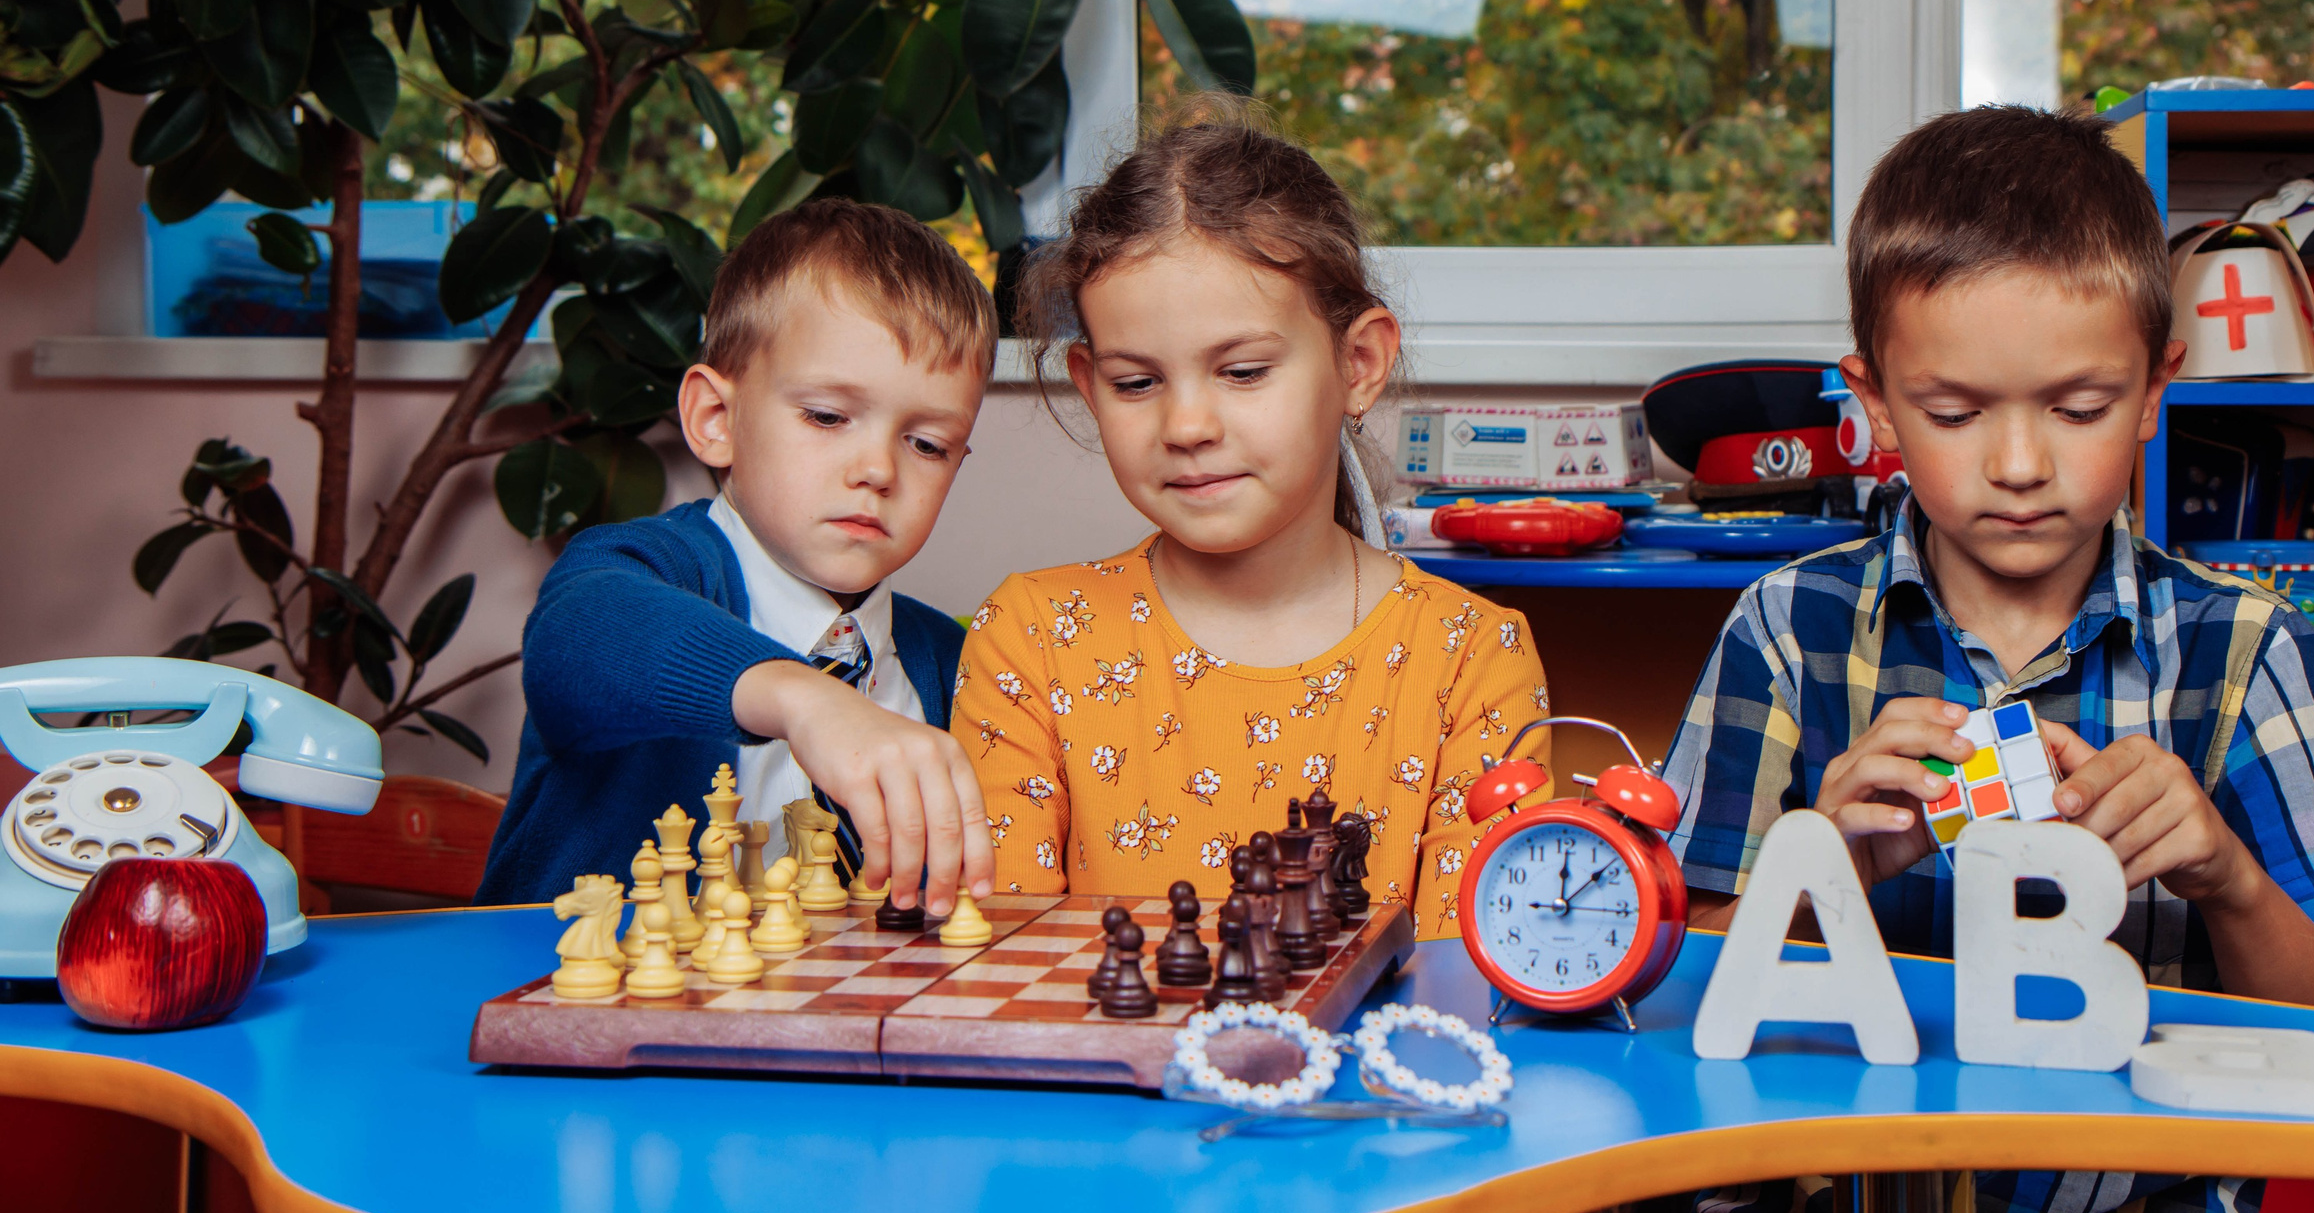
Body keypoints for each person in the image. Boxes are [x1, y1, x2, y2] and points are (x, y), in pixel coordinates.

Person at [1663, 105, 2314, 1213]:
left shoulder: (2243, 652)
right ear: (1877, 402)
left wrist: (2226, 875)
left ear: (2152, 389)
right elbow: (1680, 1013)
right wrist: (1820, 865)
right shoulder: (1789, 631)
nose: (2022, 465)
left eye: (2078, 408)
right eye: (1953, 412)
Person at [954, 111, 1550, 934]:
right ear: (1089, 386)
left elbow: (1462, 989)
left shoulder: (1473, 660)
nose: (1188, 423)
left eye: (1242, 370)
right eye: (1136, 383)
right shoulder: (1030, 639)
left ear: (1358, 364)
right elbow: (1005, 969)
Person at [478, 200, 997, 914]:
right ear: (715, 420)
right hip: (574, 1007)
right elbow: (580, 634)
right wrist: (805, 698)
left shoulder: (949, 659)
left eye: (928, 443)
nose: (879, 469)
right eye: (826, 416)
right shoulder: (645, 570)